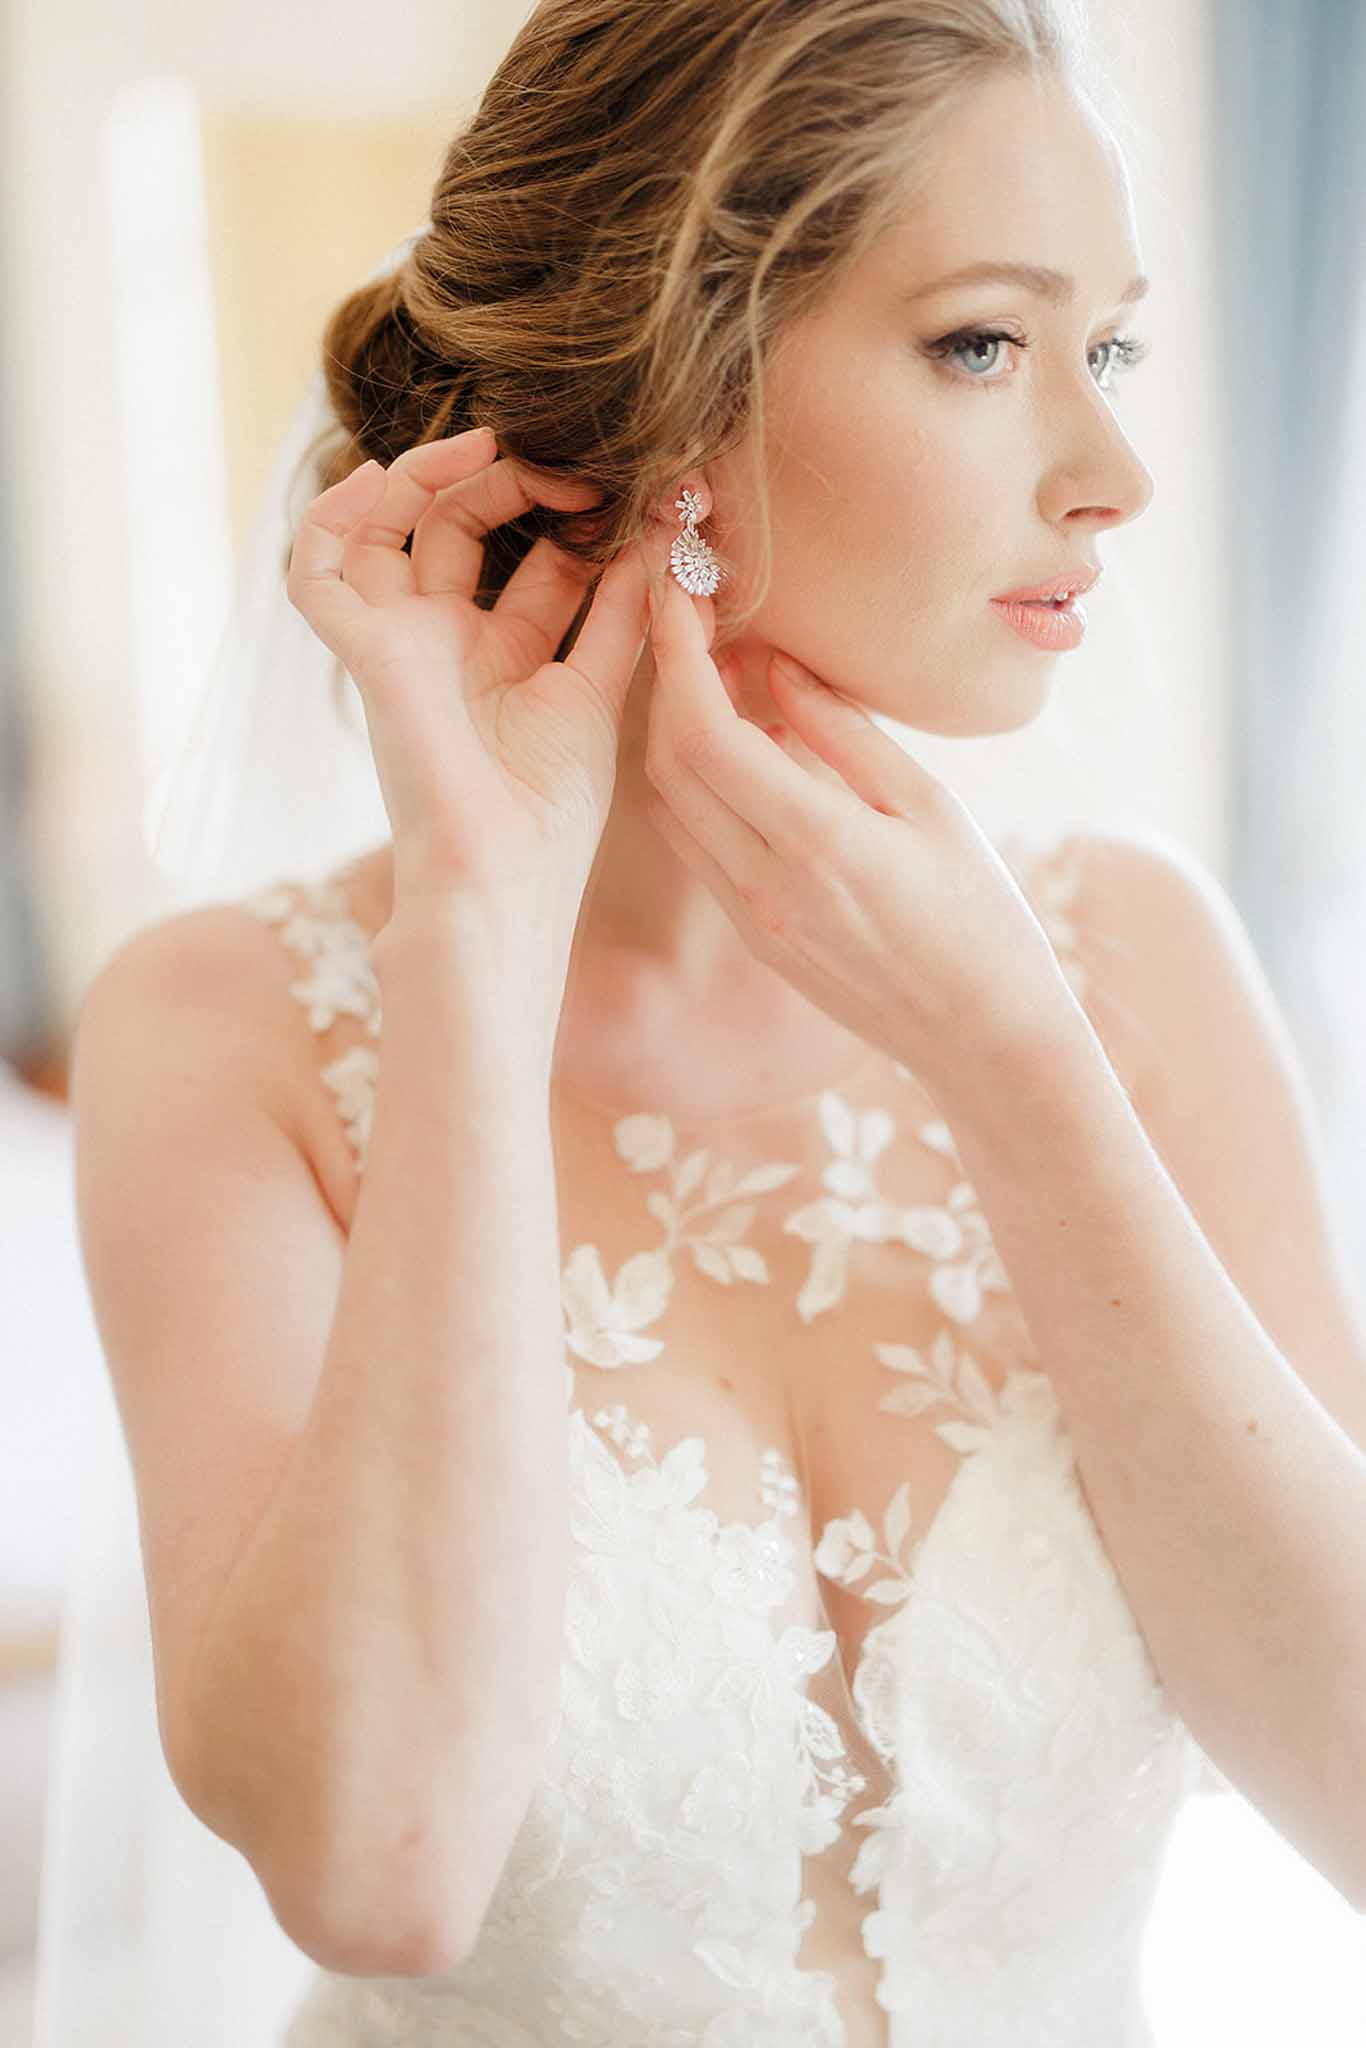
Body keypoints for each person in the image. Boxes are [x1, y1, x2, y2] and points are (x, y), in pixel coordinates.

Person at [61, 3, 1242, 2042]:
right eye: (981, 342)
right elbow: (382, 1862)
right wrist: (473, 930)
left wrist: (1016, 1063)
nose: (1113, 469)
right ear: (670, 403)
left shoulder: (1128, 957)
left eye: (1106, 345)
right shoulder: (225, 1031)